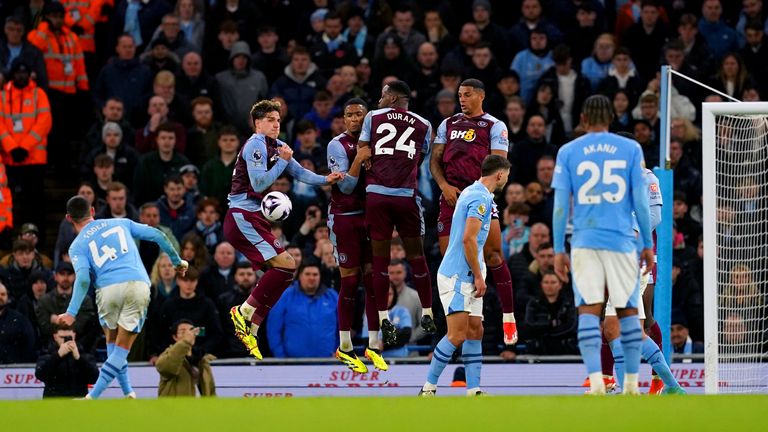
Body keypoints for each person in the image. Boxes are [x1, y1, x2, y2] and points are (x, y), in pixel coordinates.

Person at [551, 95, 655, 396]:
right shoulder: (630, 149)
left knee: (588, 311)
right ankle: (632, 384)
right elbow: (640, 202)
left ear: (583, 119)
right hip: (622, 242)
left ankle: (597, 381)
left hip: (585, 242)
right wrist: (647, 242)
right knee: (628, 312)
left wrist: (559, 248)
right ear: (611, 118)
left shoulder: (568, 151)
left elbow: (560, 206)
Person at [226, 99, 342, 360]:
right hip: (241, 215)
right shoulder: (255, 144)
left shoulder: (276, 147)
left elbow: (299, 172)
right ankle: (243, 312)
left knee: (287, 269)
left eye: (278, 120)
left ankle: (252, 326)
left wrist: (326, 180)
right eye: (270, 119)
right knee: (286, 265)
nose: (276, 124)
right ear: (257, 123)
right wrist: (281, 162)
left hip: (254, 217)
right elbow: (258, 183)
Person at [56, 195, 188, 400]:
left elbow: (82, 279)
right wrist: (176, 260)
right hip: (136, 284)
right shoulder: (120, 222)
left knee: (113, 343)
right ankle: (99, 396)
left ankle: (125, 393)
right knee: (122, 347)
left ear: (68, 218)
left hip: (107, 290)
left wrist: (71, 312)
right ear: (92, 211)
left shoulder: (76, 246)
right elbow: (157, 234)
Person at [430, 78, 518, 346]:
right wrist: (444, 186)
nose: (462, 99)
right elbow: (434, 161)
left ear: (481, 96)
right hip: (451, 198)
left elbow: (498, 166)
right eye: (460, 95)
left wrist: (481, 190)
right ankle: (459, 320)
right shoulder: (448, 124)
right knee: (452, 259)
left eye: (467, 95)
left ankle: (509, 316)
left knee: (492, 254)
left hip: (479, 195)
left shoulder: (494, 126)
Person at [420, 155, 511, 397]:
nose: (507, 180)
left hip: (470, 273)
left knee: (475, 330)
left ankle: (474, 389)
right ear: (500, 175)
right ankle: (428, 387)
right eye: (507, 176)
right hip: (457, 274)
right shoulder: (479, 197)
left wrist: (478, 274)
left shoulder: (478, 194)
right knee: (457, 334)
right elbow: (468, 239)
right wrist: (480, 276)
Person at [357, 80, 435, 347]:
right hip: (405, 196)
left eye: (382, 96)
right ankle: (427, 311)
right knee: (416, 255)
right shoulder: (424, 123)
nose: (378, 100)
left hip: (377, 196)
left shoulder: (372, 117)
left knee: (380, 260)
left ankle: (382, 317)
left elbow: (364, 152)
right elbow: (419, 159)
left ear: (392, 99)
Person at [325, 98, 385, 373]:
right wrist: (360, 159)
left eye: (359, 115)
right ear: (343, 119)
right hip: (345, 218)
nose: (354, 119)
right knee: (349, 282)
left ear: (367, 117)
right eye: (349, 115)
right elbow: (346, 187)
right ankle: (345, 345)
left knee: (373, 280)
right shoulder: (338, 145)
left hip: (371, 217)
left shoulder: (380, 140)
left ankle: (374, 344)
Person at [266, 261, 338, 358]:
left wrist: (338, 351)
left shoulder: (332, 297)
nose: (311, 278)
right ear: (300, 276)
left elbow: (342, 328)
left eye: (315, 274)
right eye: (307, 274)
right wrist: (281, 358)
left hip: (327, 363)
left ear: (320, 277)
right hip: (293, 364)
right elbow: (273, 330)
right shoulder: (285, 296)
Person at [156, 319, 216, 397]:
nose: (188, 334)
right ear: (175, 337)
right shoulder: (168, 355)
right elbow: (166, 368)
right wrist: (185, 342)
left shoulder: (202, 360)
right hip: (175, 408)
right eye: (183, 331)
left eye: (191, 330)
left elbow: (211, 391)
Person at [35, 326, 99, 398]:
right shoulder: (47, 353)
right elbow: (40, 375)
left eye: (69, 337)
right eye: (62, 337)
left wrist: (79, 358)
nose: (65, 341)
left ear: (74, 335)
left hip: (78, 402)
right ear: (55, 336)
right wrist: (58, 355)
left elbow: (94, 378)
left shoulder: (84, 354)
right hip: (53, 402)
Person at [0, 282, 35, 364]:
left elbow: (29, 344)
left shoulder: (19, 320)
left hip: (14, 369)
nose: (0, 297)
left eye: (3, 294)